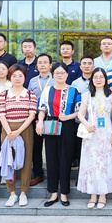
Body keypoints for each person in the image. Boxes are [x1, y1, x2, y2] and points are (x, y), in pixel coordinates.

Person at [35, 63, 78, 207]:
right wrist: (40, 122)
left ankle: (64, 193)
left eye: (62, 73)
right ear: (53, 75)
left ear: (67, 74)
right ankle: (53, 193)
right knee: (51, 160)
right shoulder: (47, 90)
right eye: (57, 73)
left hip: (67, 125)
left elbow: (80, 111)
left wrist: (68, 117)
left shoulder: (73, 90)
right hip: (51, 125)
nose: (60, 75)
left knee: (65, 159)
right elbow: (42, 109)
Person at [77, 68, 112, 209]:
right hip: (92, 134)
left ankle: (103, 195)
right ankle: (93, 195)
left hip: (106, 133)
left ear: (105, 79)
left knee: (105, 164)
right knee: (91, 164)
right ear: (92, 79)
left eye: (101, 77)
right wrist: (87, 124)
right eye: (96, 77)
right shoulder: (87, 95)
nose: (98, 80)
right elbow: (80, 114)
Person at [0, 65, 37, 207]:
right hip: (7, 129)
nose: (17, 78)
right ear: (10, 77)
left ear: (25, 77)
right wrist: (10, 132)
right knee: (8, 161)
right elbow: (1, 114)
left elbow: (32, 115)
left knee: (26, 160)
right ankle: (12, 194)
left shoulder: (30, 94)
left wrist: (18, 132)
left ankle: (23, 193)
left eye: (20, 76)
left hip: (25, 129)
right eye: (14, 76)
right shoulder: (4, 95)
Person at [27, 53, 55, 187]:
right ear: (37, 66)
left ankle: (54, 174)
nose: (42, 65)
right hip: (35, 118)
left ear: (50, 65)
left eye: (45, 62)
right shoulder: (32, 81)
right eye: (40, 63)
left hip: (51, 117)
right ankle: (38, 174)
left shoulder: (56, 79)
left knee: (52, 148)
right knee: (36, 147)